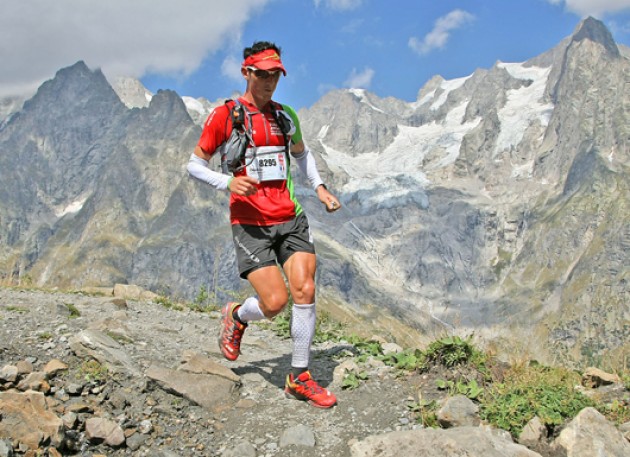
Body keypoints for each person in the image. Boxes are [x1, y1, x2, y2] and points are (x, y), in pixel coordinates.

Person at [186, 41, 341, 408]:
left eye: (275, 74)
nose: (269, 81)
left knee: (305, 289)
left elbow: (302, 155)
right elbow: (194, 164)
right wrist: (227, 182)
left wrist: (319, 187)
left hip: (290, 218)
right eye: (262, 74)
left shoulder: (286, 116)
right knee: (274, 302)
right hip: (250, 223)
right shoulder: (225, 115)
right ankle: (237, 316)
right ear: (246, 73)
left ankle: (299, 377)